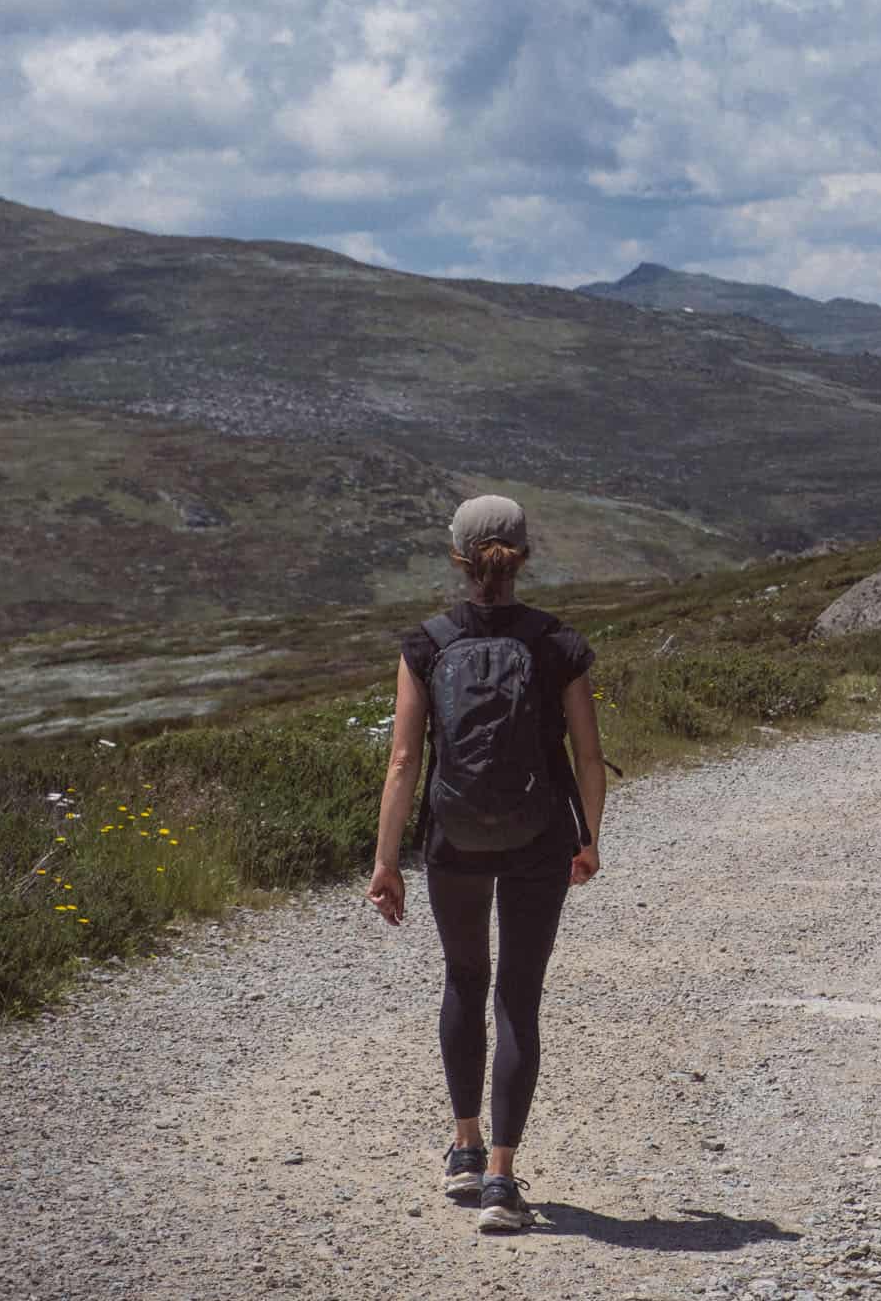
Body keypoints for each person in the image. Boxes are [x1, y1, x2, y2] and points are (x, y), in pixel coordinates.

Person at [366, 495, 608, 1233]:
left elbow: (405, 759)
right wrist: (588, 837)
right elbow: (589, 756)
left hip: (454, 842)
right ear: (523, 555)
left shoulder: (428, 642)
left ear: (460, 559)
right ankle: (502, 1181)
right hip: (539, 839)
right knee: (518, 996)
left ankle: (464, 1151)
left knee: (465, 980)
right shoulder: (556, 642)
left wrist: (386, 862)